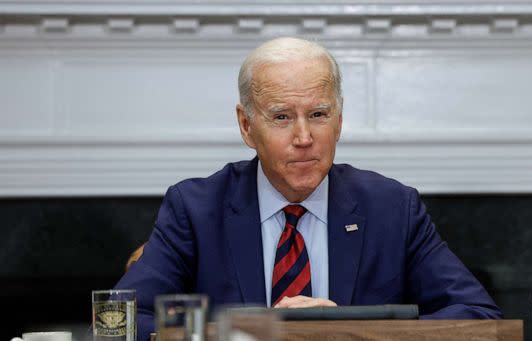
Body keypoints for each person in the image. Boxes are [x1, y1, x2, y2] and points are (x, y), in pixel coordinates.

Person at [115, 37, 502, 340]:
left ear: (339, 119)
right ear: (247, 126)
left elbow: (478, 316)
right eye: (281, 117)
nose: (304, 137)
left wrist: (345, 334)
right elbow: (122, 325)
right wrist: (263, 333)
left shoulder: (392, 207)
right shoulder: (196, 209)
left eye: (318, 114)